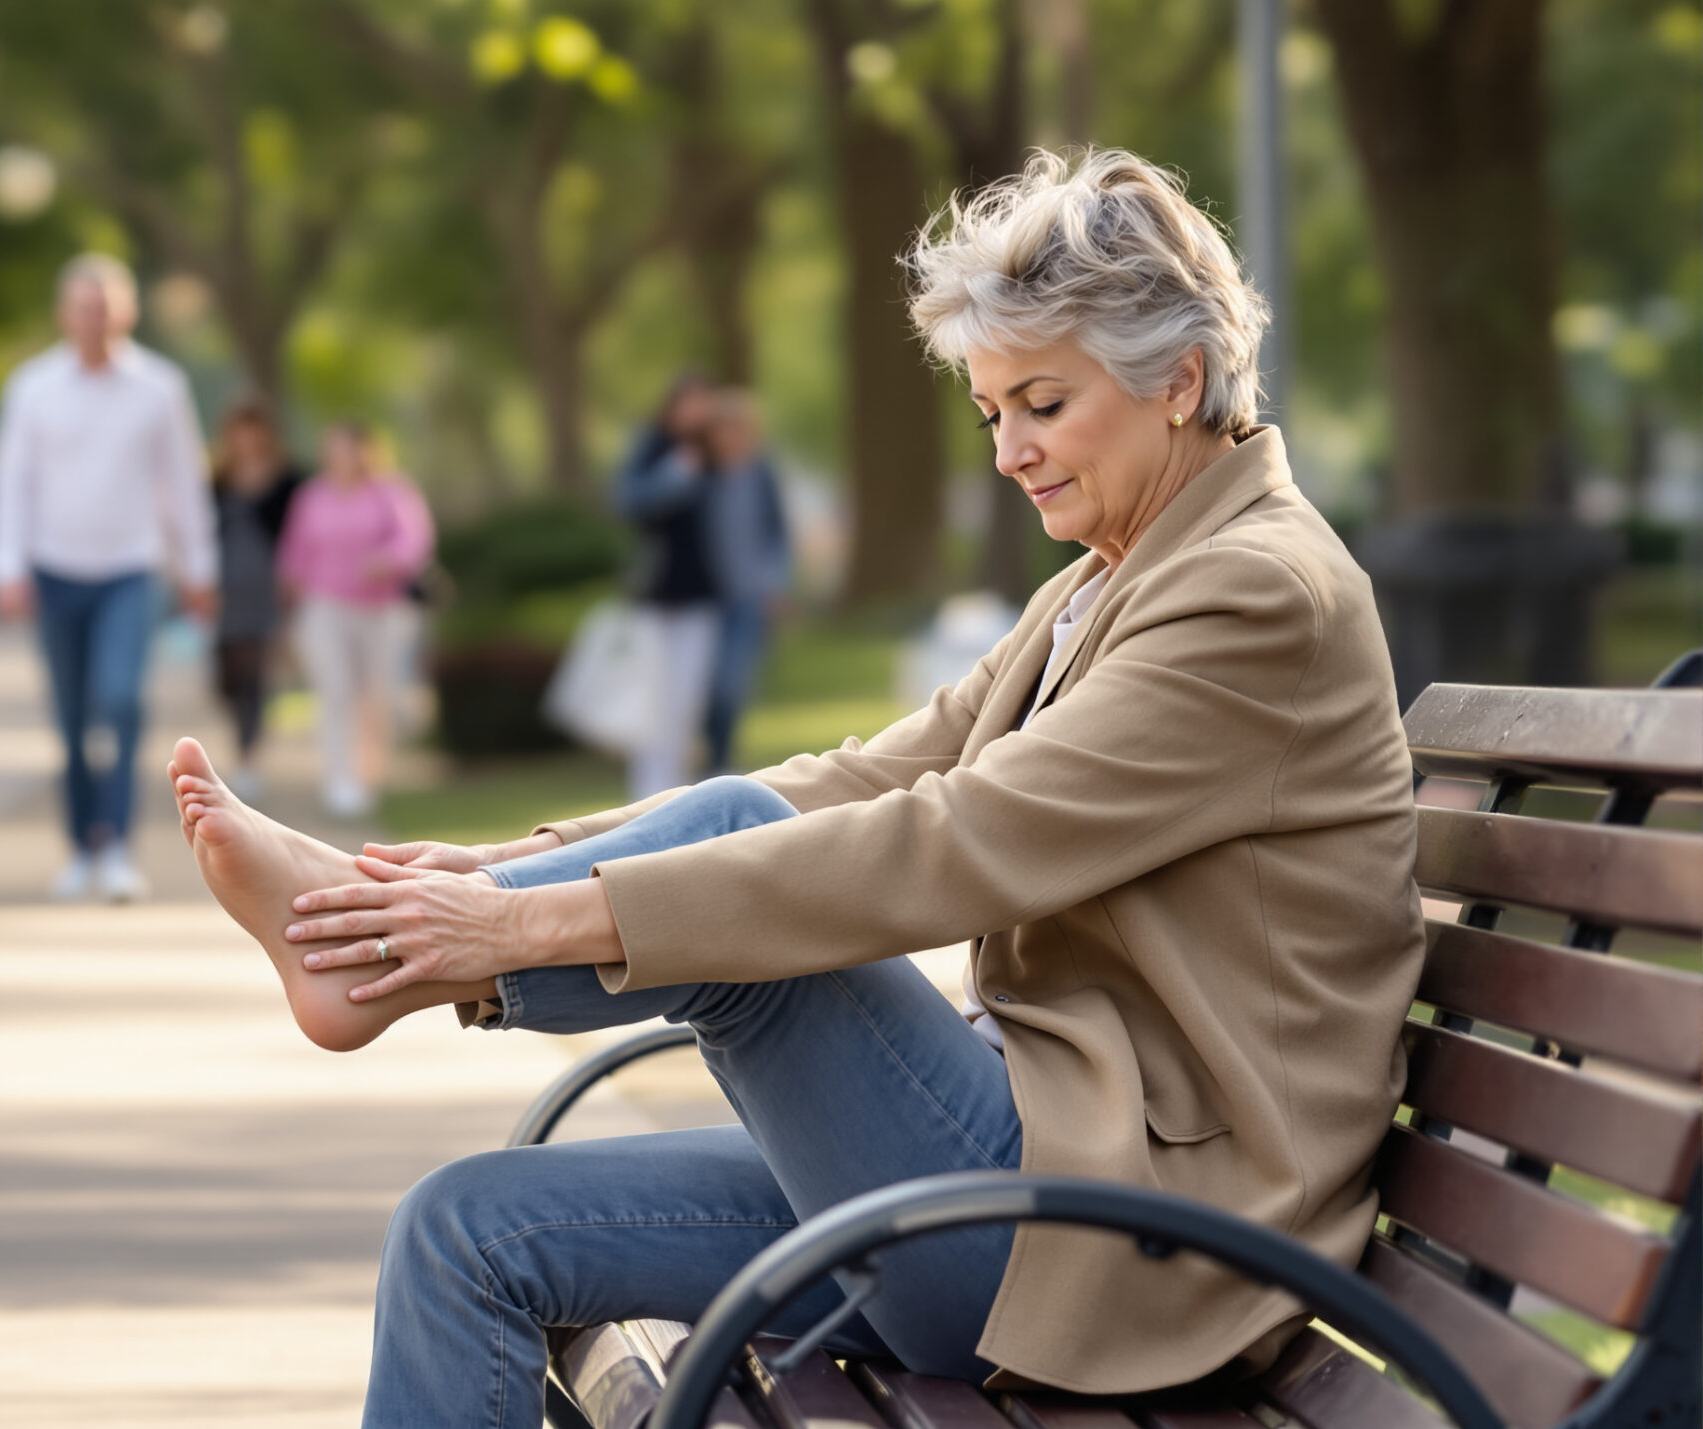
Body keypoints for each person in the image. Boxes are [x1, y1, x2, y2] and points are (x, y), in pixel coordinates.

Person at [167, 149, 1424, 1424]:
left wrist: (510, 925)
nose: (1009, 452)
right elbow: (873, 771)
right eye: (992, 414)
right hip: (1022, 1180)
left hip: (1133, 1248)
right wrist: (490, 867)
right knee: (460, 1233)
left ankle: (387, 960)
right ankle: (397, 945)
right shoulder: (1116, 572)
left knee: (729, 842)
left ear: (1180, 381)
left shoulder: (1256, 592)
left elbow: (957, 841)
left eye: (1042, 404)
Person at [0, 253, 217, 903]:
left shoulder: (159, 386)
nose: (96, 318)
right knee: (69, 715)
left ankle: (116, 845)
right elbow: (11, 480)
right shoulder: (31, 386)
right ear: (65, 314)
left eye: (107, 306)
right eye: (85, 307)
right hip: (54, 569)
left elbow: (183, 482)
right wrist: (5, 564)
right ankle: (79, 846)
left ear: (128, 311)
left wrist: (199, 565)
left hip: (130, 568)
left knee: (119, 698)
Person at [274, 421, 436, 820]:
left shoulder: (391, 491)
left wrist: (390, 561)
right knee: (336, 690)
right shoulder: (312, 496)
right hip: (324, 607)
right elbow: (294, 551)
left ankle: (368, 776)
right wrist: (288, 598)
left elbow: (414, 539)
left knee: (375, 695)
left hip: (381, 611)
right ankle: (338, 779)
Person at [614, 376, 722, 798]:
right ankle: (647, 792)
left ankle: (677, 789)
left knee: (688, 700)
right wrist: (676, 475)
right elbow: (629, 501)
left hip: (703, 596)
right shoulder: (655, 448)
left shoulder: (715, 454)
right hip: (657, 597)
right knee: (654, 701)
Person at [207, 398, 307, 801]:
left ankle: (248, 754)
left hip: (268, 588)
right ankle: (242, 735)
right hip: (225, 589)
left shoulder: (288, 481)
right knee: (226, 677)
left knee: (255, 673)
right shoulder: (216, 481)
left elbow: (301, 535)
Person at [696, 388, 793, 776]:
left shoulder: (760, 473)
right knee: (702, 685)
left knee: (731, 683)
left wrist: (776, 584)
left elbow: (778, 533)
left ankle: (720, 758)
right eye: (723, 429)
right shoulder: (701, 475)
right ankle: (708, 754)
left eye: (737, 428)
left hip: (748, 597)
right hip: (706, 599)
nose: (730, 437)